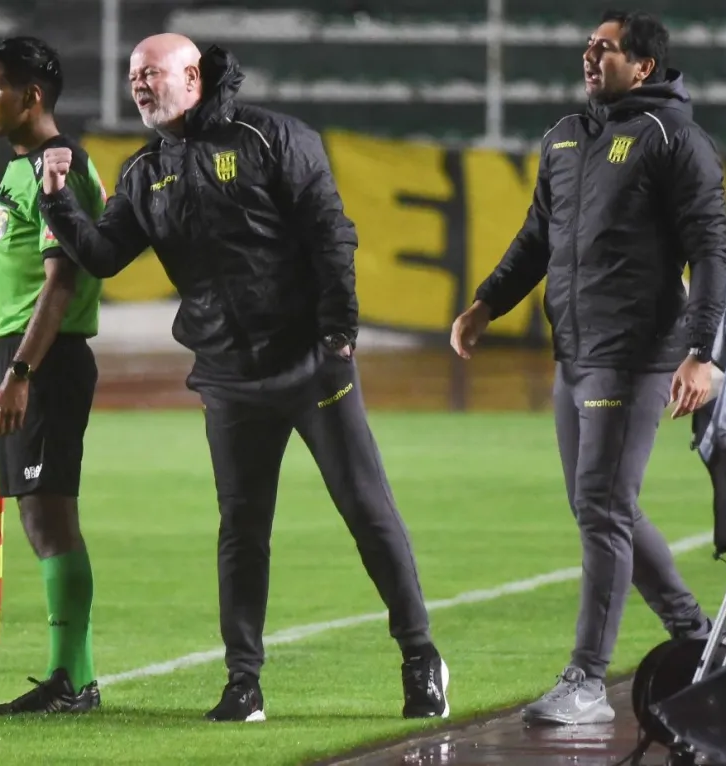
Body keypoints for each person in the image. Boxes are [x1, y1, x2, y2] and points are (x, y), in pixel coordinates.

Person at [36, 33, 449, 723]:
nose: (138, 84)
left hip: (311, 364)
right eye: (133, 74)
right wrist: (57, 203)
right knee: (243, 529)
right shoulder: (146, 172)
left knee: (367, 512)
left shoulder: (271, 138)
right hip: (227, 376)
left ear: (193, 74)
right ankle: (243, 684)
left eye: (152, 73)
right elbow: (105, 256)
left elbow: (331, 233)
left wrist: (339, 334)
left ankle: (420, 657)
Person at [451, 10, 726, 726]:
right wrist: (487, 301)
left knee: (602, 509)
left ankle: (586, 682)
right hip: (574, 351)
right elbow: (537, 235)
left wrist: (704, 352)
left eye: (604, 49)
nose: (589, 56)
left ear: (642, 66)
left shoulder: (676, 140)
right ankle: (700, 637)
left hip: (634, 353)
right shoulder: (565, 138)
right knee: (601, 507)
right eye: (587, 46)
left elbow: (709, 251)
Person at [0, 36, 107, 716]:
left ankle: (72, 681)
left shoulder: (59, 169)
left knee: (50, 515)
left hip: (45, 360)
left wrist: (22, 370)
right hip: (27, 355)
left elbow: (61, 282)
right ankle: (71, 678)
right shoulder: (28, 167)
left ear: (31, 95)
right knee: (39, 514)